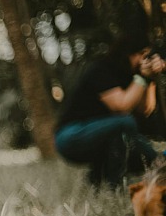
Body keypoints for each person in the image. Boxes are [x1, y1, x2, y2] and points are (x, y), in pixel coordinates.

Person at [55, 33, 166, 188]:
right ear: (127, 53)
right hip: (71, 136)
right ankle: (113, 185)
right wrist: (143, 77)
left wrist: (151, 78)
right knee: (125, 123)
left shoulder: (132, 76)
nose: (143, 61)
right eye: (141, 55)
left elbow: (145, 110)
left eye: (147, 57)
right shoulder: (102, 69)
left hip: (106, 134)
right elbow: (122, 106)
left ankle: (97, 180)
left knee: (156, 159)